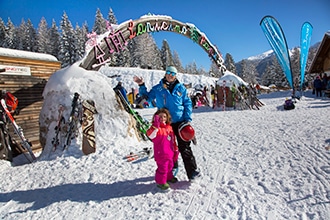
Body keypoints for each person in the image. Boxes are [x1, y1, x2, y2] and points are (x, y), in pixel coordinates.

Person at [133, 66, 200, 181]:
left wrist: (187, 119)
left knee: (184, 147)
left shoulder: (181, 89)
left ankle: (192, 172)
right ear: (165, 74)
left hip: (180, 122)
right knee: (168, 149)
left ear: (175, 75)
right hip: (165, 124)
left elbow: (187, 103)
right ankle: (171, 169)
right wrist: (141, 85)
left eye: (173, 73)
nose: (170, 75)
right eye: (168, 72)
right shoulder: (158, 88)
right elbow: (147, 98)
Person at [146, 108, 179, 190]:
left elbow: (172, 140)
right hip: (161, 153)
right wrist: (155, 126)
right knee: (163, 168)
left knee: (170, 166)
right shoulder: (156, 129)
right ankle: (161, 182)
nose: (162, 118)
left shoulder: (169, 128)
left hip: (169, 152)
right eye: (160, 116)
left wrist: (175, 150)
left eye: (164, 116)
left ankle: (169, 177)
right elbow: (151, 135)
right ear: (156, 117)